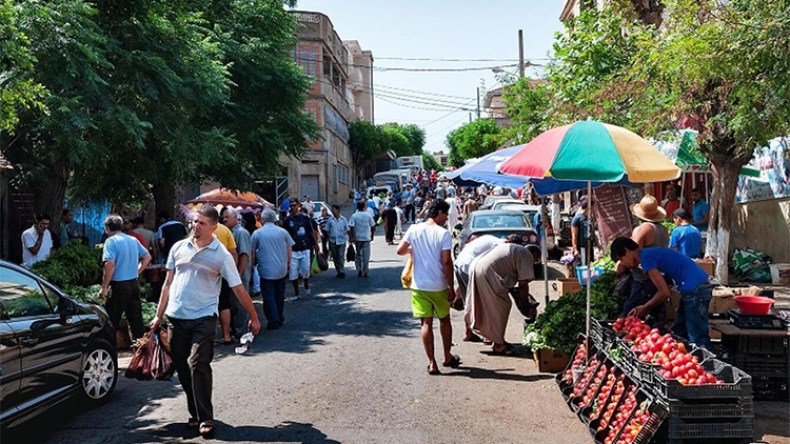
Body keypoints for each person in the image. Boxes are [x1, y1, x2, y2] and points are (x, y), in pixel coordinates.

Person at [150, 205, 261, 437]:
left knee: (198, 363)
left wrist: (254, 316)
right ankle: (195, 411)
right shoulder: (178, 247)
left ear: (213, 226)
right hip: (176, 317)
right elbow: (167, 284)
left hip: (204, 317)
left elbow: (238, 288)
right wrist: (158, 315)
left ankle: (205, 417)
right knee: (182, 367)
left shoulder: (221, 255)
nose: (195, 226)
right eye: (194, 222)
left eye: (201, 223)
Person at [611, 237, 713, 349]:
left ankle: (706, 358)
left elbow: (664, 292)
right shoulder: (648, 253)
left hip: (696, 289)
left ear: (627, 251)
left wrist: (645, 307)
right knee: (680, 331)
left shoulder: (646, 258)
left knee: (697, 335)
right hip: (693, 288)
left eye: (621, 259)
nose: (624, 264)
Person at [396, 199, 460, 375]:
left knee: (426, 323)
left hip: (419, 286)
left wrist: (412, 251)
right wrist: (450, 285)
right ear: (439, 213)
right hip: (439, 285)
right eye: (445, 214)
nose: (446, 218)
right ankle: (447, 356)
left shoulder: (414, 229)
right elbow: (447, 261)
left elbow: (400, 250)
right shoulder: (443, 234)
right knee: (444, 320)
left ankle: (432, 363)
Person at [465, 241, 535, 356]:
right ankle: (498, 345)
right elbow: (523, 284)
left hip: (476, 267)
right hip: (487, 271)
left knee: (486, 304)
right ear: (534, 255)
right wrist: (525, 304)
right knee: (501, 306)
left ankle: (491, 337)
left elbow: (510, 278)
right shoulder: (525, 255)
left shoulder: (515, 250)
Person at [99, 215, 152, 340]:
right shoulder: (132, 240)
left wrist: (104, 287)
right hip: (133, 284)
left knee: (112, 320)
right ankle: (140, 349)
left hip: (118, 285)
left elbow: (110, 264)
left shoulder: (111, 241)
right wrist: (137, 271)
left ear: (107, 228)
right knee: (136, 321)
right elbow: (147, 257)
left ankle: (109, 347)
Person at [454, 234, 504, 342]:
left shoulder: (490, 239)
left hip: (459, 265)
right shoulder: (499, 246)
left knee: (467, 302)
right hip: (468, 268)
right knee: (482, 302)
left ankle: (468, 332)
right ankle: (487, 336)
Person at [251, 209, 293, 329]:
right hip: (281, 268)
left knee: (268, 295)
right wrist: (288, 263)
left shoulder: (257, 233)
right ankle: (279, 316)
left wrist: (253, 264)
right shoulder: (283, 232)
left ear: (262, 219)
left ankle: (273, 319)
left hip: (266, 269)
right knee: (279, 294)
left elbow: (252, 251)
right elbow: (289, 248)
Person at [223, 209, 252, 340]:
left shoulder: (241, 233)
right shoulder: (231, 232)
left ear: (235, 218)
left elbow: (244, 254)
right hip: (234, 275)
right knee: (234, 303)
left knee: (240, 303)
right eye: (223, 217)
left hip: (241, 275)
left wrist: (238, 273)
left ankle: (241, 331)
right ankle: (236, 329)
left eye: (227, 217)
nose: (224, 220)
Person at [284, 205, 318, 299]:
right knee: (293, 272)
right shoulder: (287, 220)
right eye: (291, 205)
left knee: (306, 270)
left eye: (294, 205)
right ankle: (297, 293)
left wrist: (316, 243)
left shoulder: (305, 218)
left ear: (298, 206)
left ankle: (306, 284)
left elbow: (311, 231)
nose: (292, 207)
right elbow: (285, 234)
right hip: (293, 250)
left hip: (305, 248)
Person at [214, 216, 238, 344]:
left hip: (204, 274)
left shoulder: (198, 230)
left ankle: (208, 338)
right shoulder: (225, 230)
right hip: (223, 272)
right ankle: (226, 335)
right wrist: (233, 271)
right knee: (224, 303)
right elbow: (233, 253)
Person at [349, 201, 377, 277]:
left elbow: (351, 227)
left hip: (358, 238)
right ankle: (366, 270)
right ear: (364, 207)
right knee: (366, 255)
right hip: (366, 237)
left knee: (358, 255)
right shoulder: (368, 215)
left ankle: (359, 269)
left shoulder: (354, 216)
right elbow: (373, 226)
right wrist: (372, 235)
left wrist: (352, 237)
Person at [326, 204, 349, 278]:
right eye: (332, 210)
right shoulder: (330, 220)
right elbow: (327, 230)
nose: (333, 211)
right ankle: (338, 270)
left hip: (342, 240)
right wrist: (329, 237)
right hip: (333, 241)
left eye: (334, 210)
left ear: (338, 210)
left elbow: (347, 229)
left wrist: (351, 238)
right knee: (335, 257)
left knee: (341, 255)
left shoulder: (343, 219)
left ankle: (342, 270)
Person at [571, 198, 594, 266]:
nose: (593, 210)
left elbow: (592, 232)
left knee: (590, 265)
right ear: (588, 207)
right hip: (582, 248)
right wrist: (575, 249)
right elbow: (574, 236)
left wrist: (598, 244)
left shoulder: (590, 219)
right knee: (583, 265)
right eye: (592, 207)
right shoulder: (577, 219)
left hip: (590, 247)